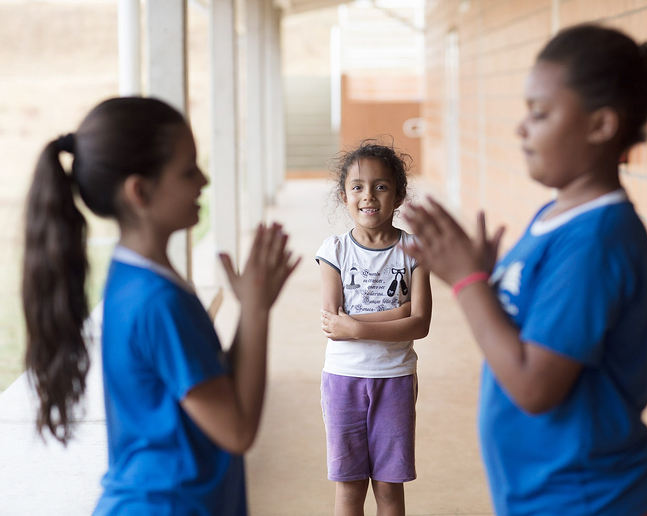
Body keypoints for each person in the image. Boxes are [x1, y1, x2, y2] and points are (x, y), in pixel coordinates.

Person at [403, 25, 647, 516]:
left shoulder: (596, 239)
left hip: (590, 497)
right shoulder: (558, 214)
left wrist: (469, 284)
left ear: (600, 125)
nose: (521, 128)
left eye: (540, 113)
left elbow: (534, 386)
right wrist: (485, 278)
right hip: (549, 493)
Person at [22, 97, 299, 515]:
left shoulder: (137, 279)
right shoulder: (159, 302)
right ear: (140, 191)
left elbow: (216, 387)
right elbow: (237, 430)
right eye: (188, 170)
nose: (203, 179)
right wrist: (257, 313)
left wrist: (251, 308)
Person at [316, 141, 432, 516]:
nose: (369, 196)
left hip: (395, 379)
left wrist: (357, 325)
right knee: (349, 487)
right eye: (358, 187)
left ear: (398, 195)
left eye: (381, 186)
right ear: (343, 195)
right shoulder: (334, 251)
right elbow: (334, 323)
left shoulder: (414, 250)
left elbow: (421, 322)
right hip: (343, 380)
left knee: (388, 486)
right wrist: (398, 312)